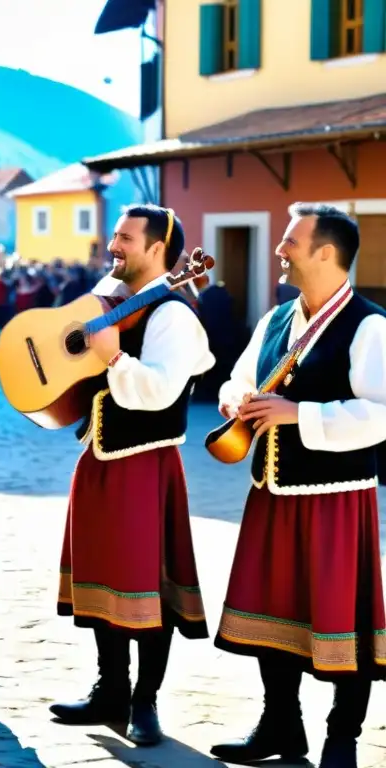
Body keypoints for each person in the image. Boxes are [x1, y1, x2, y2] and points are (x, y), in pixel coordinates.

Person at [210, 203, 386, 768]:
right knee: (271, 613)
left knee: (344, 622)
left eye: (291, 242)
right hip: (272, 492)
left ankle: (343, 739)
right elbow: (238, 378)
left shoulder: (369, 325)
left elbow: (382, 413)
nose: (280, 250)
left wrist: (299, 414)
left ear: (326, 253)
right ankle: (281, 724)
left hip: (336, 497)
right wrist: (235, 397)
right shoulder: (276, 319)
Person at [48, 205, 213, 746]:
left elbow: (160, 391)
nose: (113, 245)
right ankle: (109, 689)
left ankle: (145, 702)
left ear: (158, 249)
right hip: (98, 455)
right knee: (99, 580)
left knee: (147, 585)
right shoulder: (111, 297)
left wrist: (115, 357)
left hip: (146, 463)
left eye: (125, 238)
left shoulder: (174, 316)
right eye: (113, 235)